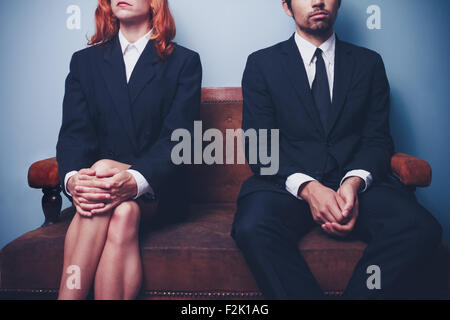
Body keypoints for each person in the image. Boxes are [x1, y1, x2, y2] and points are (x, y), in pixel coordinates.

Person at [231, 0, 442, 299]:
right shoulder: (262, 64)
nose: (318, 1)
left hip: (358, 189)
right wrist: (309, 188)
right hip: (287, 188)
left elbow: (378, 140)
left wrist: (353, 182)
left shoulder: (369, 63)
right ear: (287, 7)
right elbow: (260, 145)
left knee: (421, 228)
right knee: (252, 226)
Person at [56, 0, 202, 300]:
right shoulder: (84, 62)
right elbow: (74, 135)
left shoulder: (183, 61)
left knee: (106, 178)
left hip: (159, 189)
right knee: (121, 211)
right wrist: (73, 180)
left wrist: (133, 179)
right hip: (101, 189)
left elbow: (179, 141)